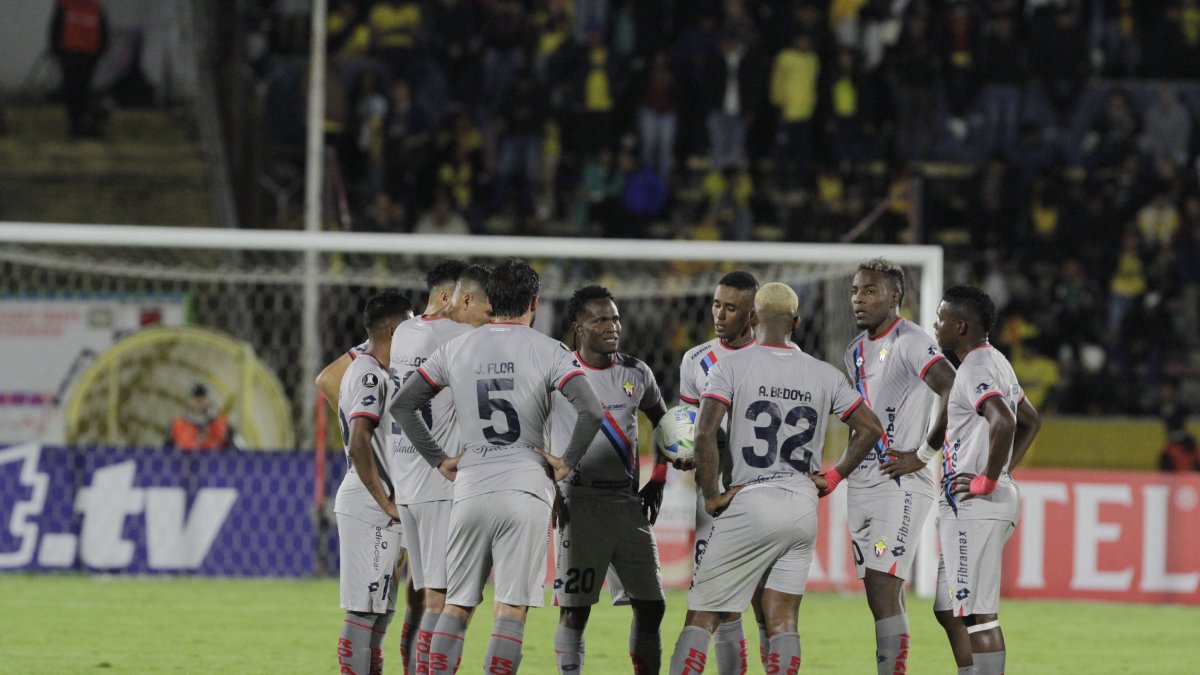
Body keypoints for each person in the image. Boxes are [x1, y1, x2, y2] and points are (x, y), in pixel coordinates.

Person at [392, 258, 604, 674]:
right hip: (525, 489)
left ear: (490, 301)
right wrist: (565, 463)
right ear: (535, 303)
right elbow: (591, 411)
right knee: (509, 612)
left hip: (469, 488)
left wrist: (439, 460)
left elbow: (402, 404)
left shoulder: (456, 347)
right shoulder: (549, 350)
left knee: (456, 606)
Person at [667, 282, 884, 675]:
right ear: (797, 323)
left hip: (750, 499)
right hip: (801, 507)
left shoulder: (729, 366)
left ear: (752, 319)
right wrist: (833, 476)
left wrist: (713, 496)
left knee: (703, 616)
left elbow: (703, 432)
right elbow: (870, 428)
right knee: (782, 620)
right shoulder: (825, 373)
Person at [314, 258, 465, 672]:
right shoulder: (368, 370)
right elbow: (330, 383)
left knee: (388, 611)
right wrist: (380, 488)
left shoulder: (396, 362)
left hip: (405, 497)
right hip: (376, 500)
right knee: (366, 613)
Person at [843, 258, 960, 674]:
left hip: (901, 484)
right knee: (883, 593)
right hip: (863, 485)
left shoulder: (912, 341)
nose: (859, 298)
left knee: (882, 587)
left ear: (896, 297)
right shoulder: (854, 351)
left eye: (870, 290)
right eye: (856, 289)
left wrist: (924, 455)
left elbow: (953, 389)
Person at [550, 285, 669, 674]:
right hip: (578, 503)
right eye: (600, 318)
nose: (612, 325)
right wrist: (548, 490)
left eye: (615, 317)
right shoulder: (558, 373)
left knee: (653, 607)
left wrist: (660, 476)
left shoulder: (636, 371)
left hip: (626, 504)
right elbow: (532, 436)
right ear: (578, 328)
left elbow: (664, 422)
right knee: (575, 612)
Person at [388, 263, 491, 675]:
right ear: (452, 298)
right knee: (441, 600)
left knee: (426, 594)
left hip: (407, 481)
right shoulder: (461, 336)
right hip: (440, 480)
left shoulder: (404, 333)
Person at [933, 286, 1041, 675]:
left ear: (960, 326)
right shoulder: (995, 361)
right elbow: (1032, 420)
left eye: (942, 317)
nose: (935, 323)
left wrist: (987, 481)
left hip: (975, 507)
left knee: (978, 615)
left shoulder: (976, 369)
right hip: (975, 506)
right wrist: (1003, 472)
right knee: (948, 608)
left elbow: (1006, 420)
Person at [677, 270, 762, 672]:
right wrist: (681, 454)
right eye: (716, 304)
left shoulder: (777, 355)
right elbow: (690, 429)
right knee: (717, 601)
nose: (720, 314)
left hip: (761, 493)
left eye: (731, 308)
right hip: (712, 498)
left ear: (753, 314)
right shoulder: (694, 360)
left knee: (764, 601)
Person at [333, 290, 414, 675]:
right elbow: (358, 439)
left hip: (381, 504)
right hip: (368, 505)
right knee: (364, 613)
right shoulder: (367, 373)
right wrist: (384, 503)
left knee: (379, 617)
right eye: (411, 326)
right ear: (393, 330)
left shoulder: (382, 372)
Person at [316, 259, 467, 411]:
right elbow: (329, 380)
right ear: (446, 298)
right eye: (467, 299)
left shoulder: (405, 334)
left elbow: (329, 379)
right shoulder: (405, 334)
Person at [50, 0, 108, 138]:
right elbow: (104, 33)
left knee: (75, 92)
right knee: (78, 91)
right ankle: (77, 125)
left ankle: (76, 125)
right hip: (79, 55)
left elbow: (55, 29)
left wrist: (57, 52)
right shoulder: (93, 8)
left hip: (78, 55)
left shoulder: (68, 6)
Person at [164, 383, 236, 451]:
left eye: (203, 397)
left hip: (214, 463)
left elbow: (238, 452)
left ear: (209, 399)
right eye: (195, 397)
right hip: (186, 463)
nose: (199, 401)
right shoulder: (176, 425)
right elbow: (166, 453)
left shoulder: (224, 425)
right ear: (188, 400)